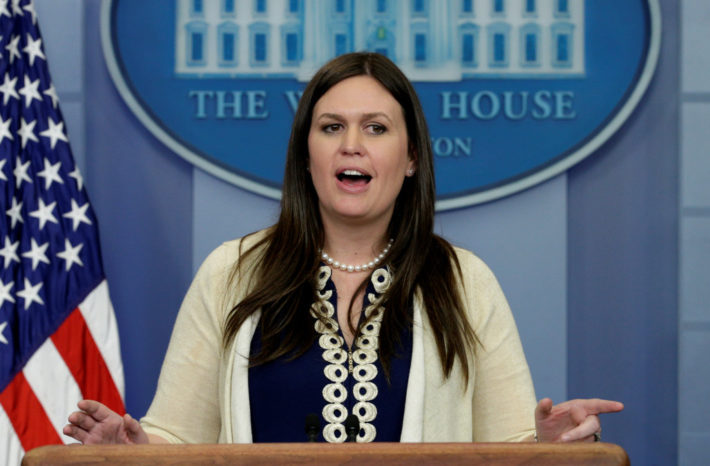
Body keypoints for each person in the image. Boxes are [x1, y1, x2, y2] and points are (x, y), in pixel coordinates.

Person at [64, 52, 622, 445]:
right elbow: (177, 438)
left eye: (376, 128)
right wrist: (130, 447)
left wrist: (548, 443)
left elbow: (506, 447)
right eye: (331, 127)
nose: (351, 145)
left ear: (411, 160)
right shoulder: (231, 273)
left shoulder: (463, 280)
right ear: (307, 156)